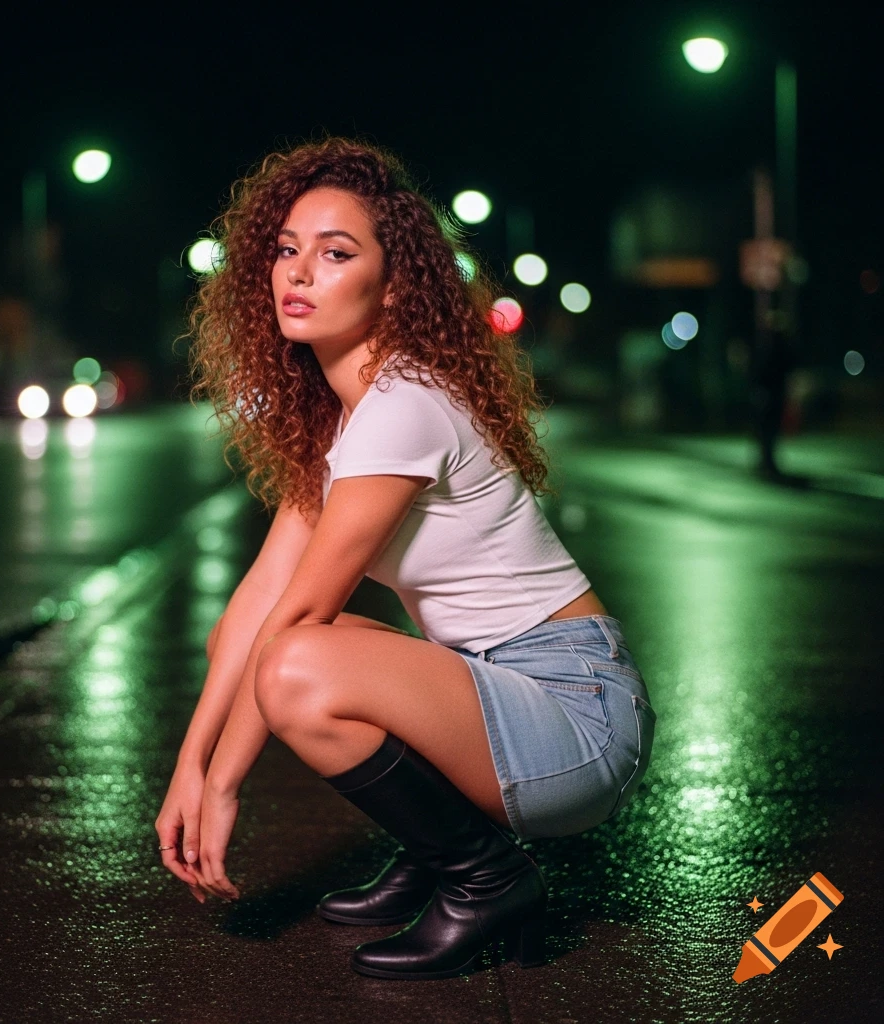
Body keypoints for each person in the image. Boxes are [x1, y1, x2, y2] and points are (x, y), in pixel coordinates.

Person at [156, 137, 657, 980]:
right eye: (286, 250)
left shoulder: (402, 405)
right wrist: (188, 764)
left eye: (336, 252)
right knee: (245, 644)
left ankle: (484, 877)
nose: (299, 273)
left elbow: (296, 625)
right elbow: (255, 605)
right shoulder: (346, 421)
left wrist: (225, 784)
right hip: (501, 692)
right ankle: (442, 853)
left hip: (576, 715)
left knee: (298, 664)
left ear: (394, 287)